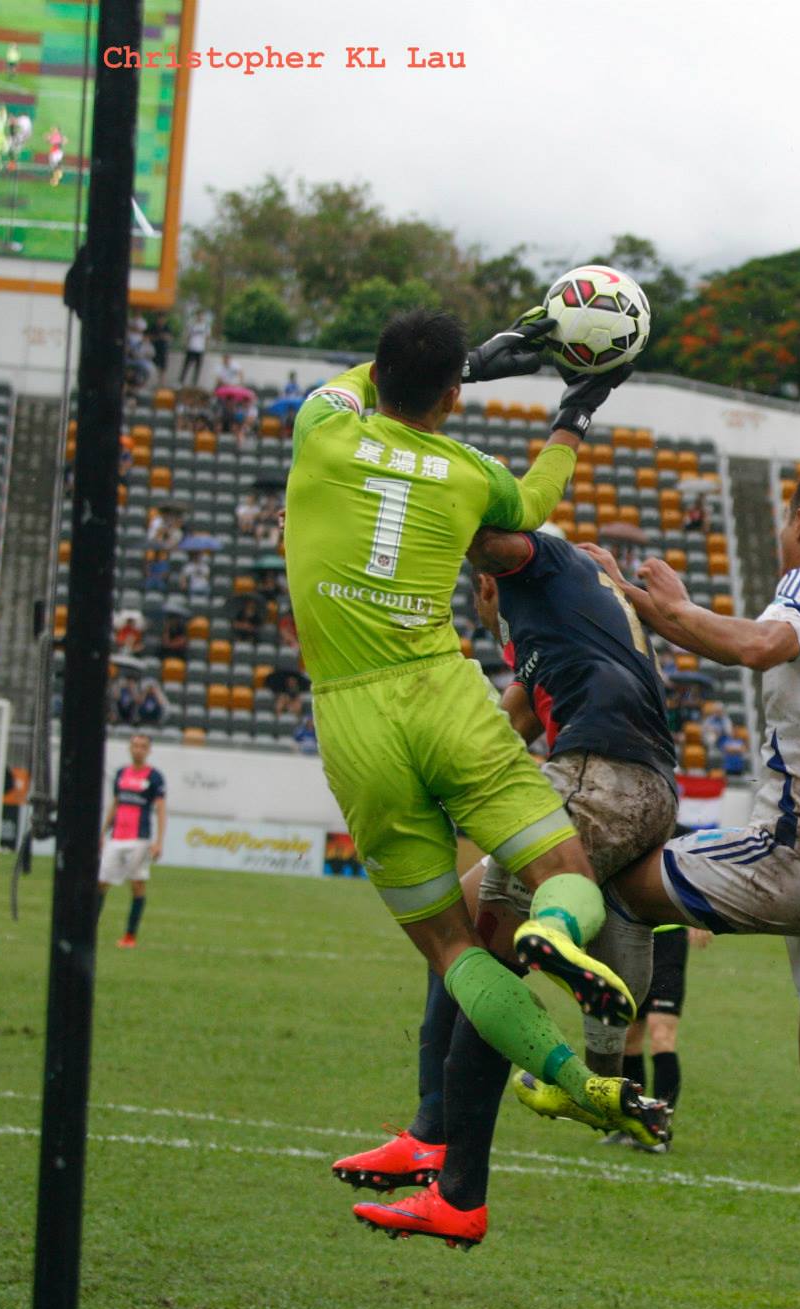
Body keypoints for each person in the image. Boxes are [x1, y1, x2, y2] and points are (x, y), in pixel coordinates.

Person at [282, 305, 662, 1176]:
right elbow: (532, 506)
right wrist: (572, 415)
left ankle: (571, 1078)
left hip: (352, 718)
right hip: (447, 698)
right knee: (562, 875)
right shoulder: (467, 470)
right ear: (453, 398)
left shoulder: (320, 425)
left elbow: (365, 382)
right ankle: (558, 934)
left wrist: (484, 363)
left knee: (453, 950)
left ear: (377, 373)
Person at [587, 455, 800, 1309]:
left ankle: (601, 1077)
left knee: (622, 881)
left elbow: (759, 645)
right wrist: (683, 609)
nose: (780, 534)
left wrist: (666, 611)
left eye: (785, 520)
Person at [340, 520, 682, 1246]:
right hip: (642, 787)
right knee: (458, 935)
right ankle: (439, 1134)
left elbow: (478, 521)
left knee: (467, 955)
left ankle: (453, 1181)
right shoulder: (580, 611)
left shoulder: (535, 591)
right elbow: (512, 723)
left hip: (598, 778)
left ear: (491, 588)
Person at [605, 924, 711, 1151]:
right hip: (633, 931)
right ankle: (633, 1125)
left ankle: (659, 1130)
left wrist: (697, 919)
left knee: (661, 1034)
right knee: (630, 1035)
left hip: (668, 937)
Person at [101, 734, 167, 948]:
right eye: (135, 745)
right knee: (101, 883)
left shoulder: (155, 777)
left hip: (139, 838)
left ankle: (130, 936)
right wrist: (103, 832)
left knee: (137, 885)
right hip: (117, 837)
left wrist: (159, 841)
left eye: (143, 746)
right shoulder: (121, 774)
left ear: (148, 751)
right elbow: (116, 803)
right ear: (130, 748)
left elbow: (160, 810)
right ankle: (88, 929)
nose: (138, 749)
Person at [179, 311, 209, 387]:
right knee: (186, 366)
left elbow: (207, 338)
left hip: (200, 349)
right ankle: (181, 381)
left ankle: (194, 382)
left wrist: (205, 348)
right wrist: (186, 345)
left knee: (197, 368)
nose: (200, 317)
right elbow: (188, 336)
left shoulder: (206, 327)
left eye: (201, 316)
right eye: (199, 316)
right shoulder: (192, 325)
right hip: (191, 348)